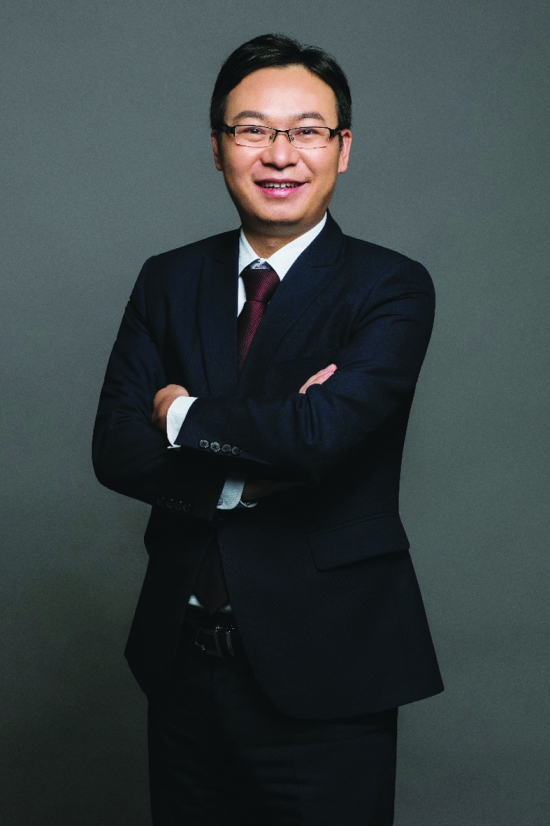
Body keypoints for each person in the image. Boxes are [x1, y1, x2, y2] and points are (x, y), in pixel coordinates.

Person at [93, 33, 443, 826]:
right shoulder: (168, 279)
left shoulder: (391, 287)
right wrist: (247, 474)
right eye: (252, 130)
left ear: (342, 148)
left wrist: (179, 413)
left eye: (306, 130)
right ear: (218, 147)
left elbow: (320, 434)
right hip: (180, 667)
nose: (279, 154)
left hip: (330, 672)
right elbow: (116, 449)